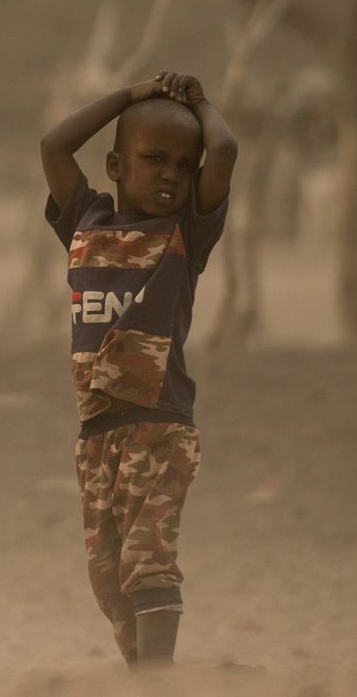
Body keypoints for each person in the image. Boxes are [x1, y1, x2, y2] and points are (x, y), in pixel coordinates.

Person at [37, 71, 238, 667]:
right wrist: (129, 97)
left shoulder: (183, 235)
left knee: (147, 560)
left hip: (159, 423)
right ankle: (147, 673)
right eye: (154, 159)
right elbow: (53, 145)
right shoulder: (85, 222)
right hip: (97, 431)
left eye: (183, 165)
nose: (172, 175)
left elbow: (224, 149)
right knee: (108, 577)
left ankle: (159, 681)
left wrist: (198, 103)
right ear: (116, 165)